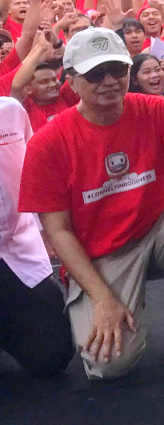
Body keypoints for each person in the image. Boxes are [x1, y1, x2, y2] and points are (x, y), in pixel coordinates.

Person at [18, 27, 164, 380]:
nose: (109, 81)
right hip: (99, 256)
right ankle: (94, 302)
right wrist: (102, 297)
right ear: (70, 80)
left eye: (117, 69)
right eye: (94, 73)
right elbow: (57, 231)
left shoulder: (158, 109)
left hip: (156, 230)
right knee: (110, 367)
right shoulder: (47, 143)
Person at [0, 97, 75, 377]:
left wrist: (47, 232)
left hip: (18, 247)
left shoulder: (10, 111)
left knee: (52, 355)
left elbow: (34, 173)